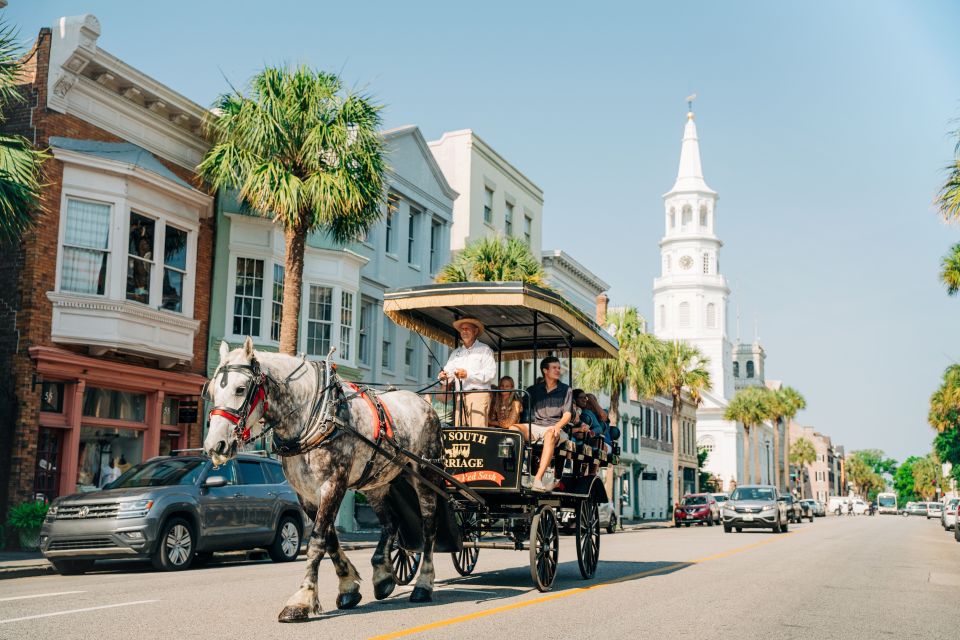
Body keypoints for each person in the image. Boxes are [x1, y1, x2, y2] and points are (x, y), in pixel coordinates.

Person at [519, 356, 572, 492]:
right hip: (535, 426)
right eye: (554, 367)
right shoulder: (533, 390)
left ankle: (537, 479)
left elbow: (567, 414)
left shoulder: (566, 390)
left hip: (555, 427)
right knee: (513, 429)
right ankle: (516, 475)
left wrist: (558, 426)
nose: (558, 370)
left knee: (550, 435)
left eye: (559, 368)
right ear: (545, 371)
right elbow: (520, 406)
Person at [438, 317, 496, 427]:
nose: (464, 331)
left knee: (477, 434)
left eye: (467, 329)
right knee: (460, 433)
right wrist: (443, 376)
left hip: (478, 395)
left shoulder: (485, 350)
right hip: (460, 396)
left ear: (475, 331)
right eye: (462, 329)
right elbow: (448, 374)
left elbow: (490, 374)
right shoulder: (456, 353)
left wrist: (468, 375)